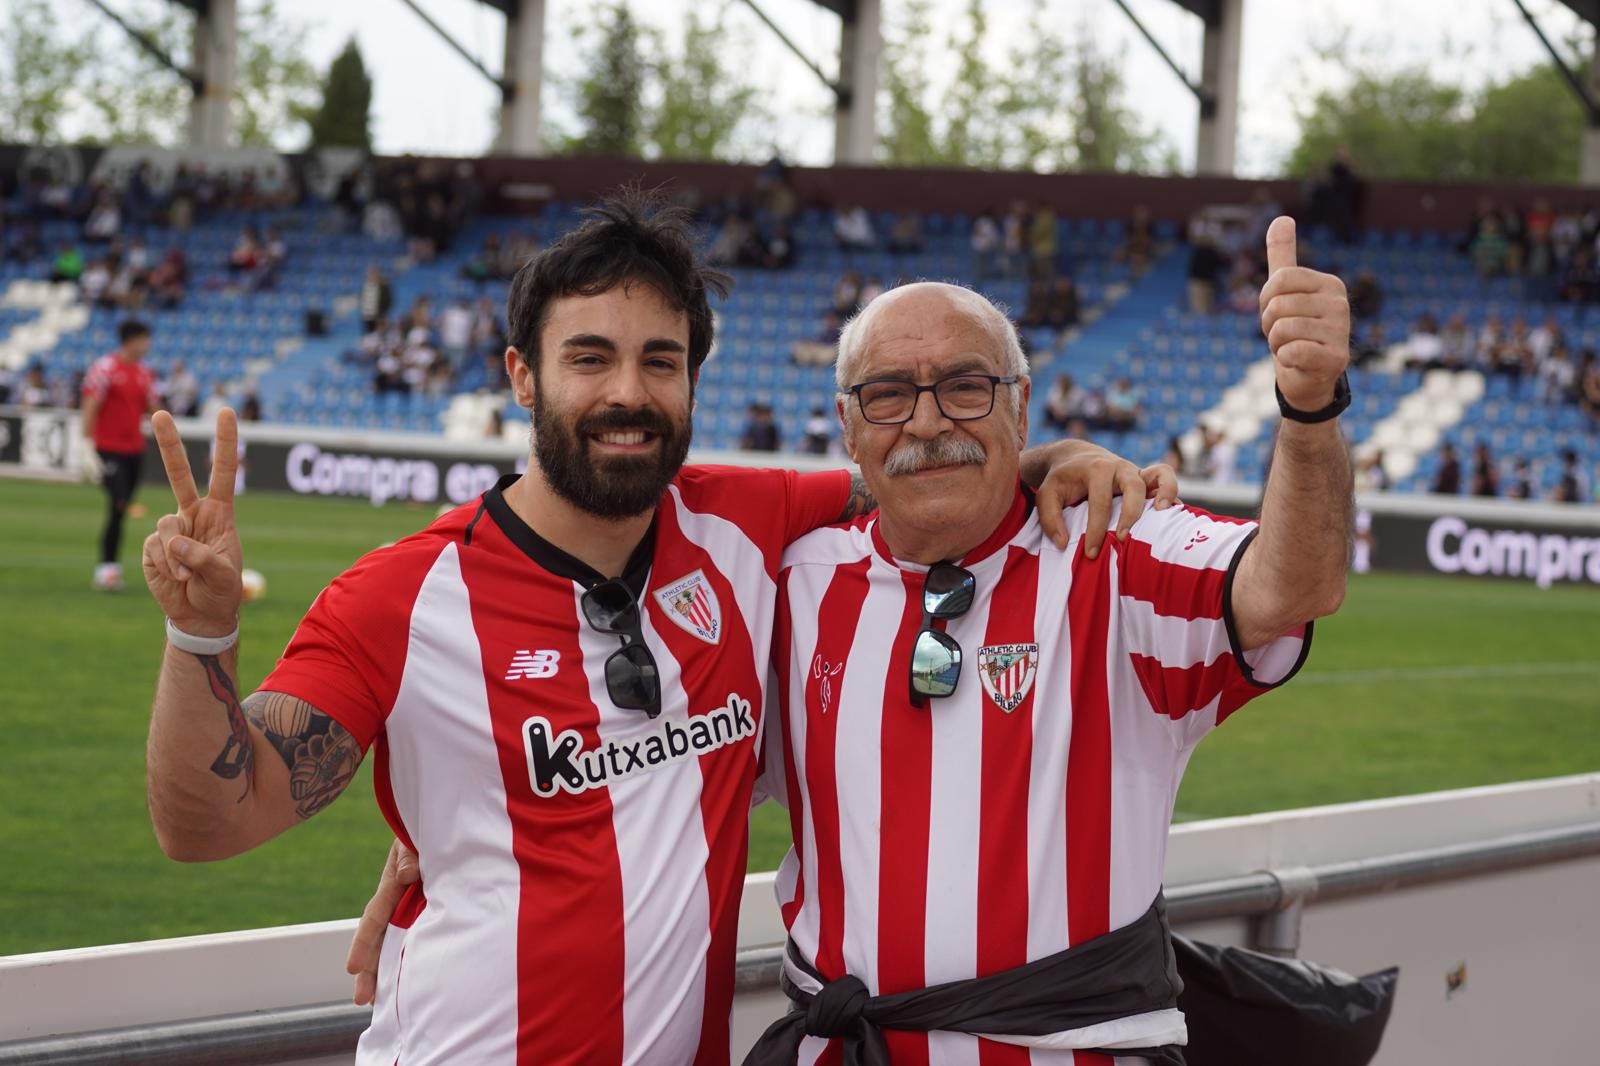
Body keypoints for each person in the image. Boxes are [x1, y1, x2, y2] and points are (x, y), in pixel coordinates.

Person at [142, 191, 1173, 1066]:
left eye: (659, 360)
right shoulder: (403, 595)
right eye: (588, 358)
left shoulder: (746, 525)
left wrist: (1054, 456)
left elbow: (923, 475)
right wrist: (200, 638)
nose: (626, 393)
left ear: (692, 381)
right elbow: (207, 823)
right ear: (520, 375)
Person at [742, 221, 1347, 1063]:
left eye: (965, 386)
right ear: (848, 427)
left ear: (1021, 406)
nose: (925, 421)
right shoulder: (787, 585)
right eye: (888, 394)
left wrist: (1310, 409)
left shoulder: (1117, 551)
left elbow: (1295, 587)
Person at [82, 318, 160, 591]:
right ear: (133, 339)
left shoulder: (143, 373)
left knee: (121, 507)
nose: (148, 344)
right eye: (145, 339)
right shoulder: (104, 368)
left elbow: (153, 407)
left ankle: (110, 569)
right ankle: (106, 570)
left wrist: (170, 434)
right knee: (118, 502)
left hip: (134, 450)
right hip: (109, 447)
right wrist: (86, 444)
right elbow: (91, 404)